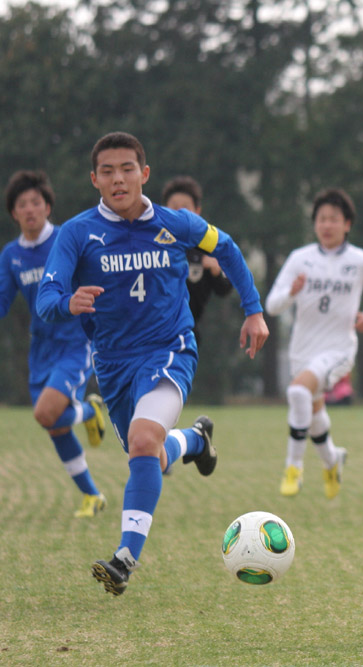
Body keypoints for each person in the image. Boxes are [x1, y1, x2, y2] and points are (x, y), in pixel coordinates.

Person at [36, 132, 269, 596]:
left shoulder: (177, 224)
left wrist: (254, 310)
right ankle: (196, 441)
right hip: (114, 365)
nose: (118, 178)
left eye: (127, 168)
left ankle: (125, 559)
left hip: (170, 349)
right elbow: (46, 299)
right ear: (94, 180)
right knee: (152, 453)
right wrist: (68, 302)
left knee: (143, 442)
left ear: (145, 174)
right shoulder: (77, 234)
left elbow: (226, 248)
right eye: (107, 171)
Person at [266, 187, 363, 499]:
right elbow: (272, 305)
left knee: (298, 390)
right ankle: (332, 459)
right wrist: (292, 293)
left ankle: (293, 468)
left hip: (338, 350)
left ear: (347, 224)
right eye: (322, 219)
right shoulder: (301, 259)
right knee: (311, 411)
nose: (327, 225)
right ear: (315, 224)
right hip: (303, 349)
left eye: (334, 219)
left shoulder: (360, 260)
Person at [1, 170, 108, 518]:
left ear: (48, 206)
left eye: (36, 202)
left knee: (46, 413)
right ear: (13, 213)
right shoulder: (11, 255)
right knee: (56, 425)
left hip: (75, 342)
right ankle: (92, 496)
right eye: (21, 205)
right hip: (42, 348)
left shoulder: (66, 238)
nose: (30, 209)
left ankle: (92, 410)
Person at [162, 176, 233, 344]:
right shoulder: (154, 243)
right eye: (174, 207)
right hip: (153, 329)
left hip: (187, 332)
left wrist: (216, 270)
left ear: (197, 211)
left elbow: (225, 289)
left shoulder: (207, 246)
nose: (179, 212)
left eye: (185, 207)